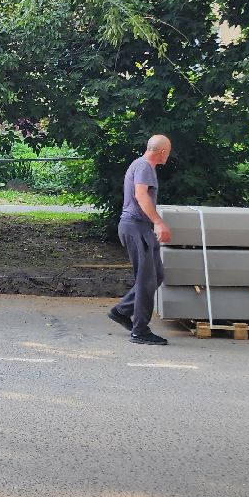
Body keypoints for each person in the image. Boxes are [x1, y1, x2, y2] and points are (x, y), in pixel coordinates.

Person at [109, 135, 172, 345]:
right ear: (162, 152)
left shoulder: (143, 166)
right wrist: (159, 223)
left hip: (141, 227)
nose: (168, 156)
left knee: (157, 276)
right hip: (135, 226)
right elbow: (141, 195)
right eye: (168, 152)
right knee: (146, 281)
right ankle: (140, 331)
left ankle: (121, 311)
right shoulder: (144, 166)